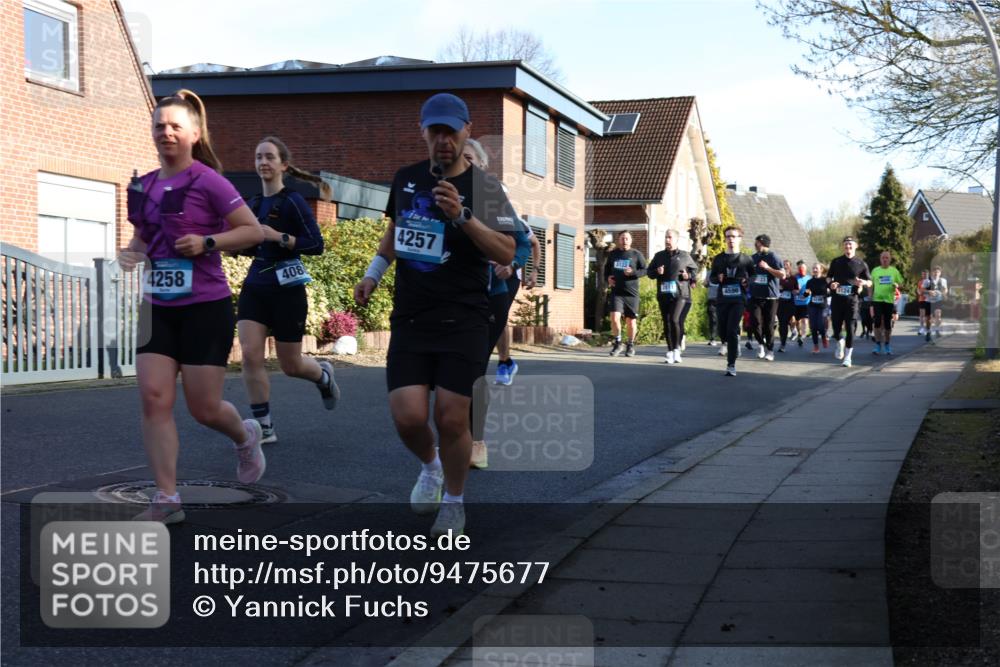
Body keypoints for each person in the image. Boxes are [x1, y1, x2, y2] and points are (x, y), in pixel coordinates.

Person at [353, 93, 516, 536]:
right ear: (423, 132)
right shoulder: (405, 178)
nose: (443, 140)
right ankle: (431, 466)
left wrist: (462, 216)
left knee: (450, 416)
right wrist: (373, 274)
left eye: (451, 131)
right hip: (412, 315)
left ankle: (455, 502)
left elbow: (507, 249)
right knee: (407, 415)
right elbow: (395, 231)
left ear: (466, 132)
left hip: (464, 317)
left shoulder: (485, 189)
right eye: (435, 131)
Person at [121, 90, 266, 524]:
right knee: (153, 398)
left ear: (194, 133)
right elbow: (144, 237)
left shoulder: (209, 181)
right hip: (157, 307)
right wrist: (131, 252)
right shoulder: (142, 185)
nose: (165, 132)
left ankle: (245, 435)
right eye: (159, 126)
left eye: (175, 126)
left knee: (204, 408)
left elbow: (253, 231)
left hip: (205, 306)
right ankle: (167, 499)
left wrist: (208, 242)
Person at [237, 137, 339, 445]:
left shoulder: (293, 200)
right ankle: (264, 427)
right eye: (259, 157)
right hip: (256, 285)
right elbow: (248, 247)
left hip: (287, 289)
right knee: (250, 355)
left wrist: (280, 237)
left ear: (283, 164)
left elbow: (316, 244)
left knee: (290, 365)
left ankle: (323, 375)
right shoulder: (254, 204)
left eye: (269, 157)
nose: (263, 162)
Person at [461, 138, 536, 470]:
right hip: (452, 296)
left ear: (481, 165)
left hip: (491, 294)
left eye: (469, 159)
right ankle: (455, 434)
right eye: (458, 158)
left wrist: (513, 264)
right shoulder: (439, 196)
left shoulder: (492, 198)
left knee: (475, 367)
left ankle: (476, 441)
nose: (463, 164)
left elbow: (525, 241)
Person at [647, 229, 698, 364]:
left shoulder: (685, 256)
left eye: (670, 237)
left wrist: (688, 276)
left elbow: (694, 271)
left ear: (676, 240)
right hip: (663, 294)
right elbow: (649, 273)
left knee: (675, 319)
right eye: (666, 237)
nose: (667, 240)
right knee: (667, 322)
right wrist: (657, 272)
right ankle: (670, 351)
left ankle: (676, 350)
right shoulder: (659, 256)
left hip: (680, 294)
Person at [710, 225, 755, 376]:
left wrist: (747, 281)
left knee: (731, 329)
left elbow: (754, 276)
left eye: (734, 236)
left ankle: (731, 365)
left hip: (738, 300)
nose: (731, 239)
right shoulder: (719, 258)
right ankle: (733, 340)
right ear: (725, 239)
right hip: (722, 299)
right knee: (723, 331)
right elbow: (712, 277)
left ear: (740, 239)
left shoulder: (746, 259)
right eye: (728, 236)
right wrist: (718, 278)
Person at [826, 236, 872, 368]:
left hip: (852, 300)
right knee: (836, 328)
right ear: (843, 246)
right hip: (837, 299)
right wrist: (831, 284)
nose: (848, 246)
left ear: (856, 246)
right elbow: (828, 277)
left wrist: (863, 282)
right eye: (846, 244)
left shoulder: (861, 263)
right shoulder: (836, 261)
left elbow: (870, 282)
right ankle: (840, 341)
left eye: (850, 244)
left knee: (851, 328)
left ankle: (848, 357)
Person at [604, 232, 647, 357]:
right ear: (619, 240)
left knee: (631, 321)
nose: (624, 240)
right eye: (622, 238)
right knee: (614, 317)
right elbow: (606, 270)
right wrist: (608, 278)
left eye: (627, 238)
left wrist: (633, 272)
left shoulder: (636, 254)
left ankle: (630, 345)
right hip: (617, 292)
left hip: (631, 293)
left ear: (631, 240)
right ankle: (618, 343)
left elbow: (645, 270)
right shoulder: (613, 254)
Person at [748, 234, 786, 361]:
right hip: (755, 296)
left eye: (757, 242)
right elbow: (749, 275)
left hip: (771, 297)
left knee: (769, 325)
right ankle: (760, 344)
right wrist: (746, 280)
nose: (755, 245)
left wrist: (768, 268)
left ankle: (770, 350)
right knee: (754, 322)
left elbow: (782, 275)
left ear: (763, 243)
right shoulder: (753, 258)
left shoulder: (773, 257)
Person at [869, 250, 904, 356]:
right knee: (877, 322)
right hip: (877, 300)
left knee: (888, 324)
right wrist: (870, 298)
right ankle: (878, 344)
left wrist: (897, 285)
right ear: (880, 259)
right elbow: (871, 285)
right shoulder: (875, 270)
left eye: (887, 258)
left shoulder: (894, 271)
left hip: (889, 300)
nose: (885, 259)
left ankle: (887, 344)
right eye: (883, 258)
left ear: (890, 259)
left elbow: (901, 284)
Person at [802, 263, 829, 353]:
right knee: (813, 326)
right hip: (813, 305)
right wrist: (805, 294)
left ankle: (824, 337)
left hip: (822, 306)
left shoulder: (825, 280)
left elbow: (831, 292)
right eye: (813, 268)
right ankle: (816, 346)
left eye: (816, 268)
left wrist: (828, 292)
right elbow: (807, 293)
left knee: (820, 325)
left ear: (821, 270)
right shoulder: (810, 281)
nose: (814, 270)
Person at [776, 259, 798, 352]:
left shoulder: (793, 278)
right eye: (784, 265)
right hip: (780, 303)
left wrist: (794, 291)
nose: (785, 266)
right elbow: (774, 288)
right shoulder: (778, 278)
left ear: (790, 267)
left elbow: (797, 290)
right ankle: (783, 343)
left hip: (790, 303)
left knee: (788, 321)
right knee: (782, 324)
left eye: (787, 265)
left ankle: (793, 330)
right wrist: (778, 288)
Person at [925, 266, 948, 340]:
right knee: (929, 318)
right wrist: (929, 291)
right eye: (935, 272)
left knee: (938, 315)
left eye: (938, 272)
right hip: (928, 301)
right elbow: (921, 290)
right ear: (932, 273)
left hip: (938, 300)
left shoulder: (943, 280)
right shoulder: (927, 281)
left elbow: (945, 289)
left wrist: (944, 294)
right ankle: (928, 332)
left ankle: (937, 330)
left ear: (940, 273)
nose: (936, 273)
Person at [792, 260, 810, 345]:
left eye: (802, 268)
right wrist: (794, 291)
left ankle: (803, 336)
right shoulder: (794, 278)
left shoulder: (809, 278)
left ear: (806, 269)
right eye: (799, 268)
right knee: (797, 321)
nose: (801, 269)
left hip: (806, 303)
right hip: (796, 303)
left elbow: (811, 289)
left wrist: (807, 294)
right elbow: (791, 288)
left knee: (805, 320)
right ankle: (799, 334)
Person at [706, 276, 720, 347]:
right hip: (711, 300)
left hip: (722, 300)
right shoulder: (709, 273)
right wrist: (706, 283)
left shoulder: (724, 272)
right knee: (712, 320)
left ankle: (725, 339)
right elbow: (705, 284)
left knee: (721, 320)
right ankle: (712, 338)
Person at [916, 269, 931, 335]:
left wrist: (925, 292)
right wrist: (919, 292)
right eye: (923, 274)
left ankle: (928, 329)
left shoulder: (930, 282)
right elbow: (918, 289)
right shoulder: (920, 282)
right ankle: (922, 328)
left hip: (928, 300)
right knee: (921, 315)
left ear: (928, 274)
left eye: (925, 274)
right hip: (921, 299)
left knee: (927, 316)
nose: (924, 275)